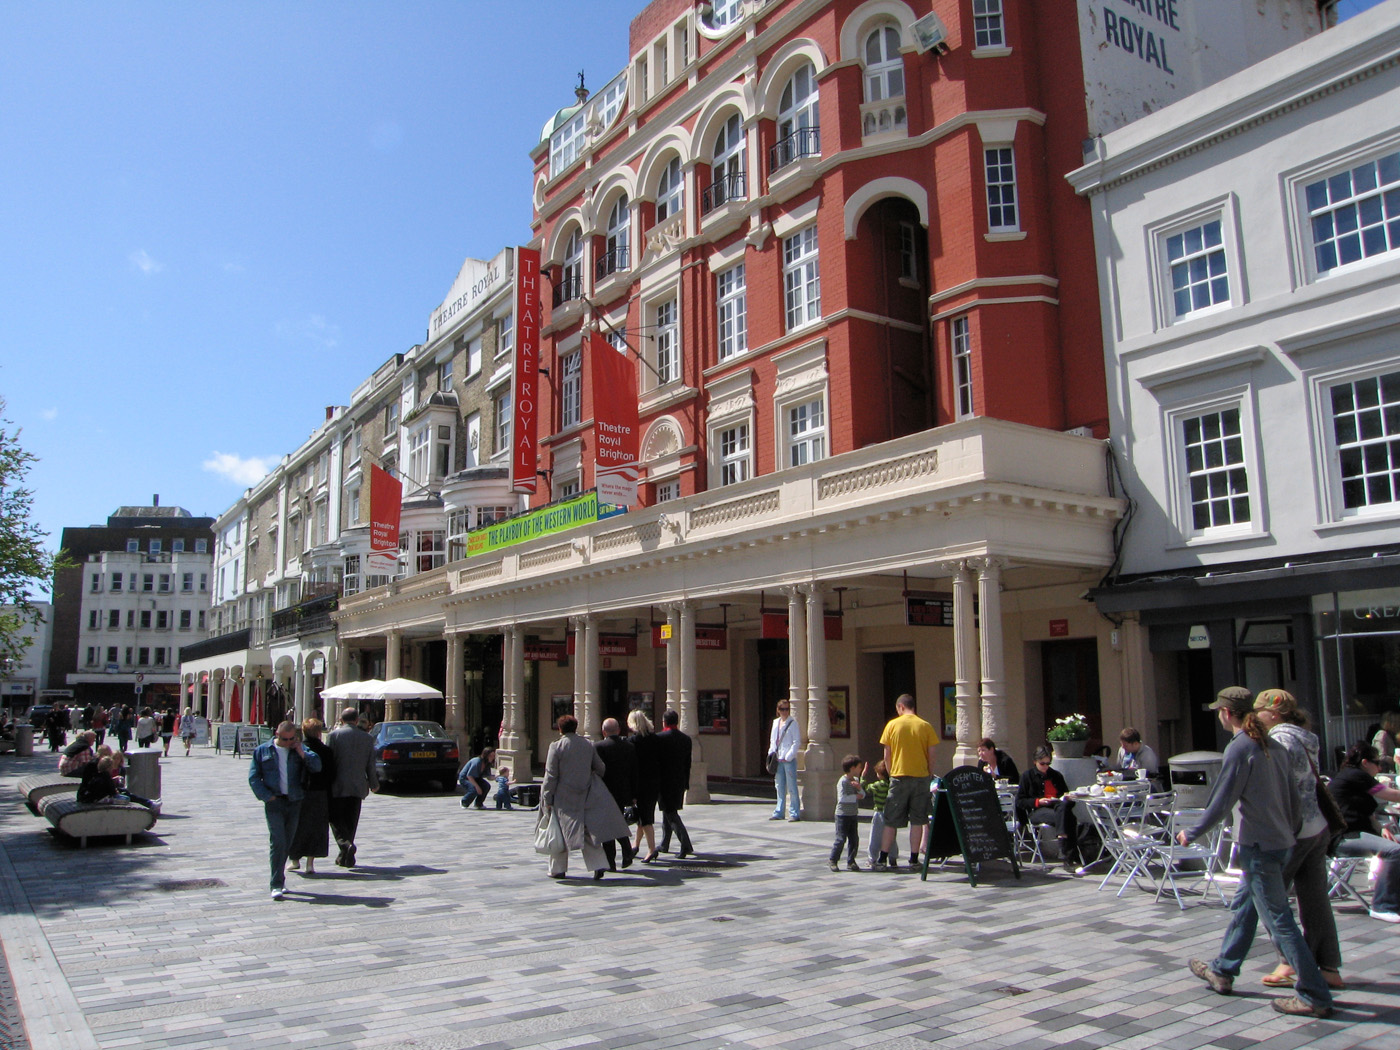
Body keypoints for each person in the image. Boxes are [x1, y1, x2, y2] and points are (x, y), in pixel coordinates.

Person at [1180, 686, 1332, 1019]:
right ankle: (1223, 969)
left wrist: (1191, 832)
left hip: (1259, 846)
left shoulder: (1240, 747)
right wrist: (1289, 831)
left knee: (1280, 922)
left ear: (1224, 713)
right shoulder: (1272, 745)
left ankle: (1314, 993)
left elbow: (1221, 800)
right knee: (1246, 907)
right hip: (1280, 843)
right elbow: (1294, 798)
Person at [1249, 689, 1344, 990]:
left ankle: (1289, 962)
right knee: (1315, 900)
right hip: (1317, 828)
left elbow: (1278, 785)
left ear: (1274, 714)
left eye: (1259, 711)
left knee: (1269, 898)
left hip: (1294, 833)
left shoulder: (1281, 739)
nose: (1256, 716)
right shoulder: (1305, 737)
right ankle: (1329, 967)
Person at [540, 715, 630, 880]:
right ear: (576, 727)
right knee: (587, 833)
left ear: (560, 729)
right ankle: (599, 864)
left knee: (560, 832)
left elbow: (551, 775)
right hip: (585, 794)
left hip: (563, 797)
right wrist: (590, 779)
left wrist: (547, 798)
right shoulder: (588, 744)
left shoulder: (556, 747)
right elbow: (600, 767)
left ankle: (558, 869)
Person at [248, 721, 322, 901]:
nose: (287, 742)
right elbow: (254, 777)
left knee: (287, 843)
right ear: (277, 734)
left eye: (291, 739)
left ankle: (280, 881)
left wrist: (301, 752)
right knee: (278, 841)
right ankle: (276, 884)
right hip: (274, 802)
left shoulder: (298, 749)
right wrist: (266, 796)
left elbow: (317, 766)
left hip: (294, 801)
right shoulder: (263, 750)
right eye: (284, 739)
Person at [1328, 741, 1400, 924]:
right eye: (1378, 763)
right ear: (1365, 762)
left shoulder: (1353, 778)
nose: (1380, 767)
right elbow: (1393, 795)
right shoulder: (1357, 775)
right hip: (1343, 838)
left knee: (1396, 843)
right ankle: (1383, 906)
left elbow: (1365, 813)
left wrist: (1382, 828)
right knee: (1394, 851)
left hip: (1356, 833)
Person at [874, 694, 937, 871]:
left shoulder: (892, 725)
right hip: (921, 778)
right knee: (918, 819)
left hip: (899, 777)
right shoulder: (925, 726)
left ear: (901, 707)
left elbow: (887, 755)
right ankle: (914, 859)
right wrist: (929, 774)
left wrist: (891, 773)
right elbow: (931, 755)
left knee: (891, 820)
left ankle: (882, 858)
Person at [327, 707, 378, 868]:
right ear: (356, 721)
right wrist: (374, 783)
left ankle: (345, 845)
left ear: (341, 720)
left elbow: (330, 761)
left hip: (337, 784)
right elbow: (370, 764)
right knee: (351, 820)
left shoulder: (333, 735)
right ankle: (346, 857)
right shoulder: (367, 738)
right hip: (358, 785)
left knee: (335, 818)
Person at [1016, 746, 1081, 872]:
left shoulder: (1056, 775)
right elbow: (1020, 801)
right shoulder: (1027, 776)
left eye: (1048, 763)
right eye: (1042, 764)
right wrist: (1038, 801)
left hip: (1057, 808)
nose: (1045, 766)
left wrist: (1066, 798)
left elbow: (1065, 796)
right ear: (1035, 762)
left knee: (1065, 812)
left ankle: (1063, 841)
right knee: (1069, 817)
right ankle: (1070, 857)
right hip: (1038, 811)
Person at [287, 718, 336, 877]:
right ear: (318, 732)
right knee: (316, 827)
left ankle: (294, 860)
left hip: (299, 792)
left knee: (296, 826)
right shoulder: (326, 751)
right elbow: (331, 774)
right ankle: (310, 863)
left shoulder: (295, 749)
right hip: (319, 792)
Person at [594, 717, 637, 871]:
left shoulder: (598, 747)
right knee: (617, 822)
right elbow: (634, 772)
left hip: (605, 792)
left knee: (607, 827)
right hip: (623, 792)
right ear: (618, 730)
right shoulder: (629, 746)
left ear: (603, 731)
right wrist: (633, 794)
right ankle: (625, 852)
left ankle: (611, 860)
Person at [656, 709, 694, 858]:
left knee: (670, 813)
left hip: (664, 781)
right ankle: (665, 843)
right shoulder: (686, 739)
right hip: (679, 780)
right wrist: (687, 782)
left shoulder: (659, 738)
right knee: (668, 811)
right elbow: (688, 763)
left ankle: (686, 844)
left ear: (664, 722)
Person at [628, 710, 663, 863]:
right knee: (644, 815)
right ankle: (635, 845)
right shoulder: (655, 739)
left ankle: (651, 849)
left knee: (646, 819)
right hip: (654, 782)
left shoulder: (634, 741)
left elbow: (632, 767)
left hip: (640, 784)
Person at [828, 754, 867, 872]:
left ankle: (851, 861)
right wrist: (855, 796)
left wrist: (859, 788)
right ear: (852, 768)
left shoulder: (855, 780)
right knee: (841, 839)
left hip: (853, 814)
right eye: (858, 767)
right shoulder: (843, 781)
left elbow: (863, 795)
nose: (860, 770)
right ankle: (833, 860)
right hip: (842, 815)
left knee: (854, 839)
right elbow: (842, 798)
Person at [768, 700, 802, 821]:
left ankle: (794, 812)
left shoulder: (793, 723)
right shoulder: (776, 723)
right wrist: (771, 753)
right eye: (782, 709)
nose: (785, 712)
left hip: (788, 759)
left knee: (792, 786)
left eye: (787, 709)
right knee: (779, 786)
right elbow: (773, 740)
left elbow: (796, 741)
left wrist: (789, 756)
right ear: (778, 710)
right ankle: (779, 811)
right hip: (778, 758)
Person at [863, 760, 891, 866]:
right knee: (890, 836)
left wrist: (863, 777)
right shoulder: (891, 785)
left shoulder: (878, 785)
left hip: (879, 812)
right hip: (889, 813)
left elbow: (865, 789)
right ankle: (893, 857)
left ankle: (872, 858)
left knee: (875, 836)